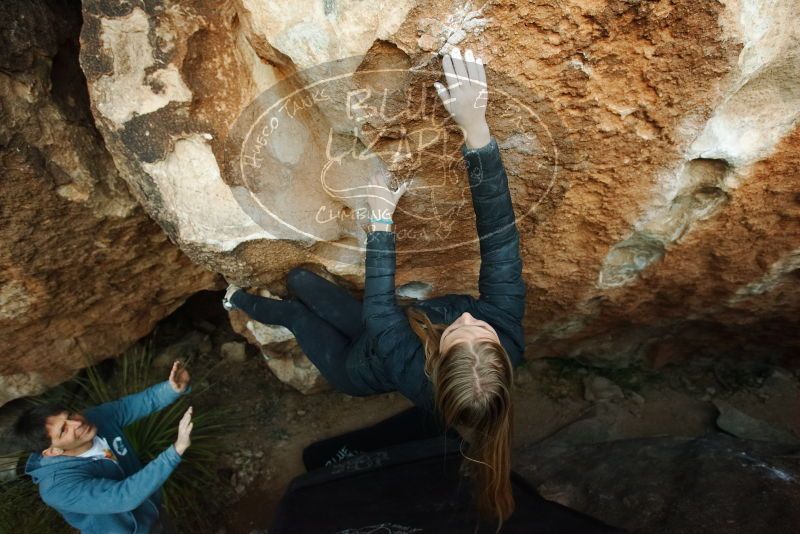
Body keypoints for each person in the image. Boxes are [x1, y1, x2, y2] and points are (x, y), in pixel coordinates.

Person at [223, 47, 524, 522]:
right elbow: (501, 241)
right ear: (502, 353)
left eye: (455, 334)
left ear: (435, 362)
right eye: (482, 331)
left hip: (352, 368)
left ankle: (234, 299)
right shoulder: (507, 331)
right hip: (373, 337)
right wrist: (476, 132)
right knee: (301, 277)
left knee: (298, 312)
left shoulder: (412, 371)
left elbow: (382, 310)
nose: (469, 316)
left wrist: (382, 220)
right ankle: (265, 295)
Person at [12, 361, 194, 534]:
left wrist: (171, 389)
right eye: (64, 430)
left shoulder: (94, 419)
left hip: (152, 513)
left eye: (69, 416)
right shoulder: (57, 488)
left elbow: (130, 406)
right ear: (53, 451)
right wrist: (175, 451)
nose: (76, 423)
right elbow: (123, 496)